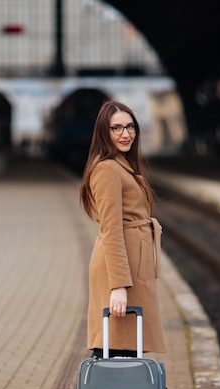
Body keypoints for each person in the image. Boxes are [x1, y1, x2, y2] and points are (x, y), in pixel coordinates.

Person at [79, 100, 167, 358]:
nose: (125, 134)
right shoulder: (107, 169)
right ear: (104, 133)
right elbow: (111, 230)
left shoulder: (123, 166)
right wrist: (118, 287)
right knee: (113, 350)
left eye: (130, 127)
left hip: (131, 266)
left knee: (124, 351)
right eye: (116, 128)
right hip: (120, 271)